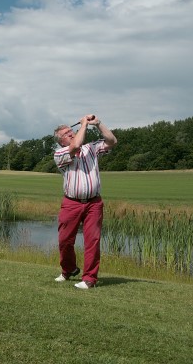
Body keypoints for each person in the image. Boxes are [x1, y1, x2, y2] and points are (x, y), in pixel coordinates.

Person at [53, 114, 117, 289]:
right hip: (71, 203)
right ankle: (68, 269)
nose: (71, 134)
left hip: (93, 203)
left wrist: (97, 124)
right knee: (65, 240)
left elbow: (112, 141)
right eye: (67, 133)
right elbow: (75, 147)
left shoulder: (91, 148)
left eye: (71, 130)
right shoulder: (60, 153)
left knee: (92, 241)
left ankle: (89, 279)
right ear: (61, 141)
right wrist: (83, 125)